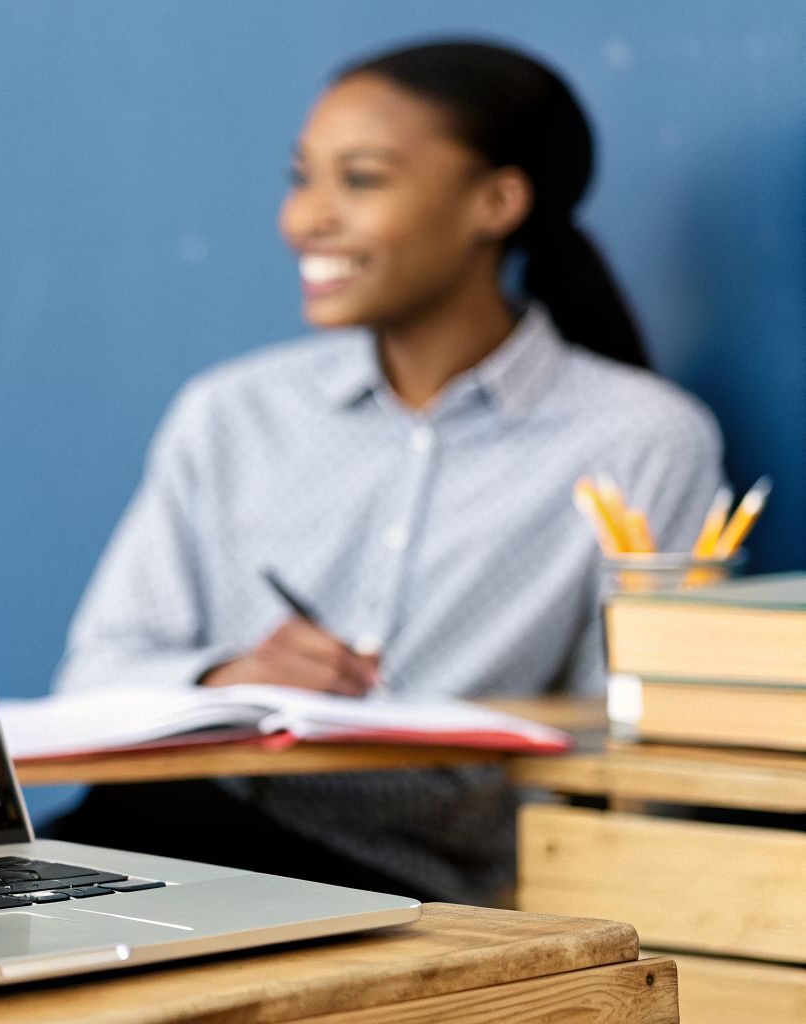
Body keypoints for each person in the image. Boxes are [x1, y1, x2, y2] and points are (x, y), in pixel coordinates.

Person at [44, 40, 724, 904]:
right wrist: (228, 679)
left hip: (406, 888)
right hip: (156, 840)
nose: (305, 219)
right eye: (302, 178)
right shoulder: (231, 413)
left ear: (498, 201)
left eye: (360, 180)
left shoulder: (642, 439)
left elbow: (632, 753)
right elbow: (97, 673)